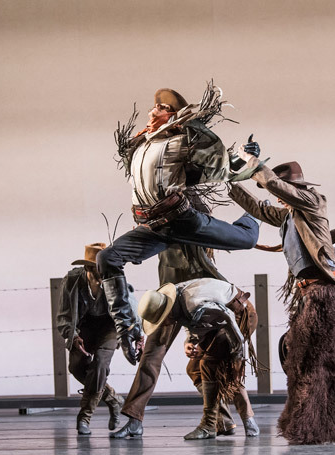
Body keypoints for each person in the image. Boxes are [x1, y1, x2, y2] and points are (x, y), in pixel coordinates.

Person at [97, 86, 260, 366]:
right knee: (107, 257)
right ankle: (128, 331)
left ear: (173, 115)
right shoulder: (140, 147)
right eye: (153, 107)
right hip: (152, 228)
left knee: (246, 239)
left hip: (181, 221)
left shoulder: (182, 142)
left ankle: (254, 215)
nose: (151, 111)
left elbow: (219, 169)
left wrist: (246, 159)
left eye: (159, 108)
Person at [229, 150, 335, 444]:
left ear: (295, 189)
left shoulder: (313, 203)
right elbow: (258, 208)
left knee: (316, 361)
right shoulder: (289, 216)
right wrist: (229, 178)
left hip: (326, 294)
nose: (280, 198)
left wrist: (255, 166)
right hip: (312, 295)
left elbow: (275, 187)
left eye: (284, 191)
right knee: (312, 359)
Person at [110, 278, 258, 440]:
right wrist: (192, 340)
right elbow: (193, 320)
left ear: (167, 312)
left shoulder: (195, 304)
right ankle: (225, 421)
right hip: (219, 322)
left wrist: (237, 352)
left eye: (162, 320)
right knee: (194, 368)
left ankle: (212, 424)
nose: (164, 323)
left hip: (240, 316)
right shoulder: (178, 299)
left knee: (212, 365)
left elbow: (227, 316)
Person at [56, 243, 125, 435]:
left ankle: (84, 417)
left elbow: (127, 309)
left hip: (109, 327)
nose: (103, 270)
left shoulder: (114, 278)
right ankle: (112, 399)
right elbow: (63, 315)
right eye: (98, 266)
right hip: (84, 326)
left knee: (100, 365)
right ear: (88, 267)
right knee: (77, 368)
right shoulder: (72, 280)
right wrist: (74, 335)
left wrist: (132, 334)